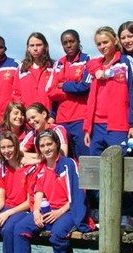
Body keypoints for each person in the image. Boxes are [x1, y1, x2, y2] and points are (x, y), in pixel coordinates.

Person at [7, 129, 92, 253]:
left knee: (57, 235)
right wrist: (36, 211)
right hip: (48, 210)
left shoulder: (69, 164)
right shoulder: (41, 168)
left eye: (49, 144)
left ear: (56, 144)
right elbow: (38, 191)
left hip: (68, 210)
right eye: (42, 146)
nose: (46, 149)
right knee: (19, 228)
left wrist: (60, 211)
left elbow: (77, 194)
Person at [83, 26, 133, 231]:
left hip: (118, 125)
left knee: (119, 170)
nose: (102, 47)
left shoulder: (126, 63)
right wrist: (87, 128)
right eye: (98, 43)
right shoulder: (95, 64)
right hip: (96, 126)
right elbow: (90, 72)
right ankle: (103, 209)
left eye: (105, 42)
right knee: (98, 172)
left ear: (115, 41)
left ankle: (128, 212)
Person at [46, 29, 91, 159]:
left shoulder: (87, 60)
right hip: (62, 120)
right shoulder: (59, 63)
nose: (69, 45)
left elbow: (86, 87)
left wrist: (64, 85)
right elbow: (50, 91)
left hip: (80, 118)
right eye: (65, 43)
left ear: (78, 42)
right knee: (64, 158)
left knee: (83, 159)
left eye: (72, 41)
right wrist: (73, 90)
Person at [12, 32, 54, 113]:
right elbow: (16, 94)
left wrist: (53, 114)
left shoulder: (53, 67)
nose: (35, 48)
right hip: (28, 118)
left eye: (38, 45)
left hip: (48, 117)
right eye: (32, 45)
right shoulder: (21, 68)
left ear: (45, 46)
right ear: (28, 48)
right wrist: (23, 112)